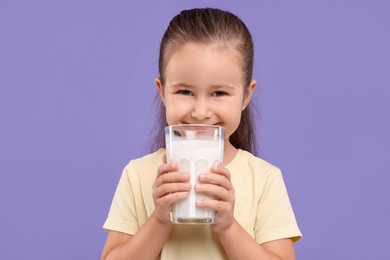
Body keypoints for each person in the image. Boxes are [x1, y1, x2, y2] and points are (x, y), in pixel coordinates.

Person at [101, 8, 302, 260]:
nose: (200, 112)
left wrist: (229, 226)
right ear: (162, 91)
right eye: (185, 92)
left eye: (219, 93)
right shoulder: (138, 175)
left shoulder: (264, 180)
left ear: (246, 95)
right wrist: (159, 220)